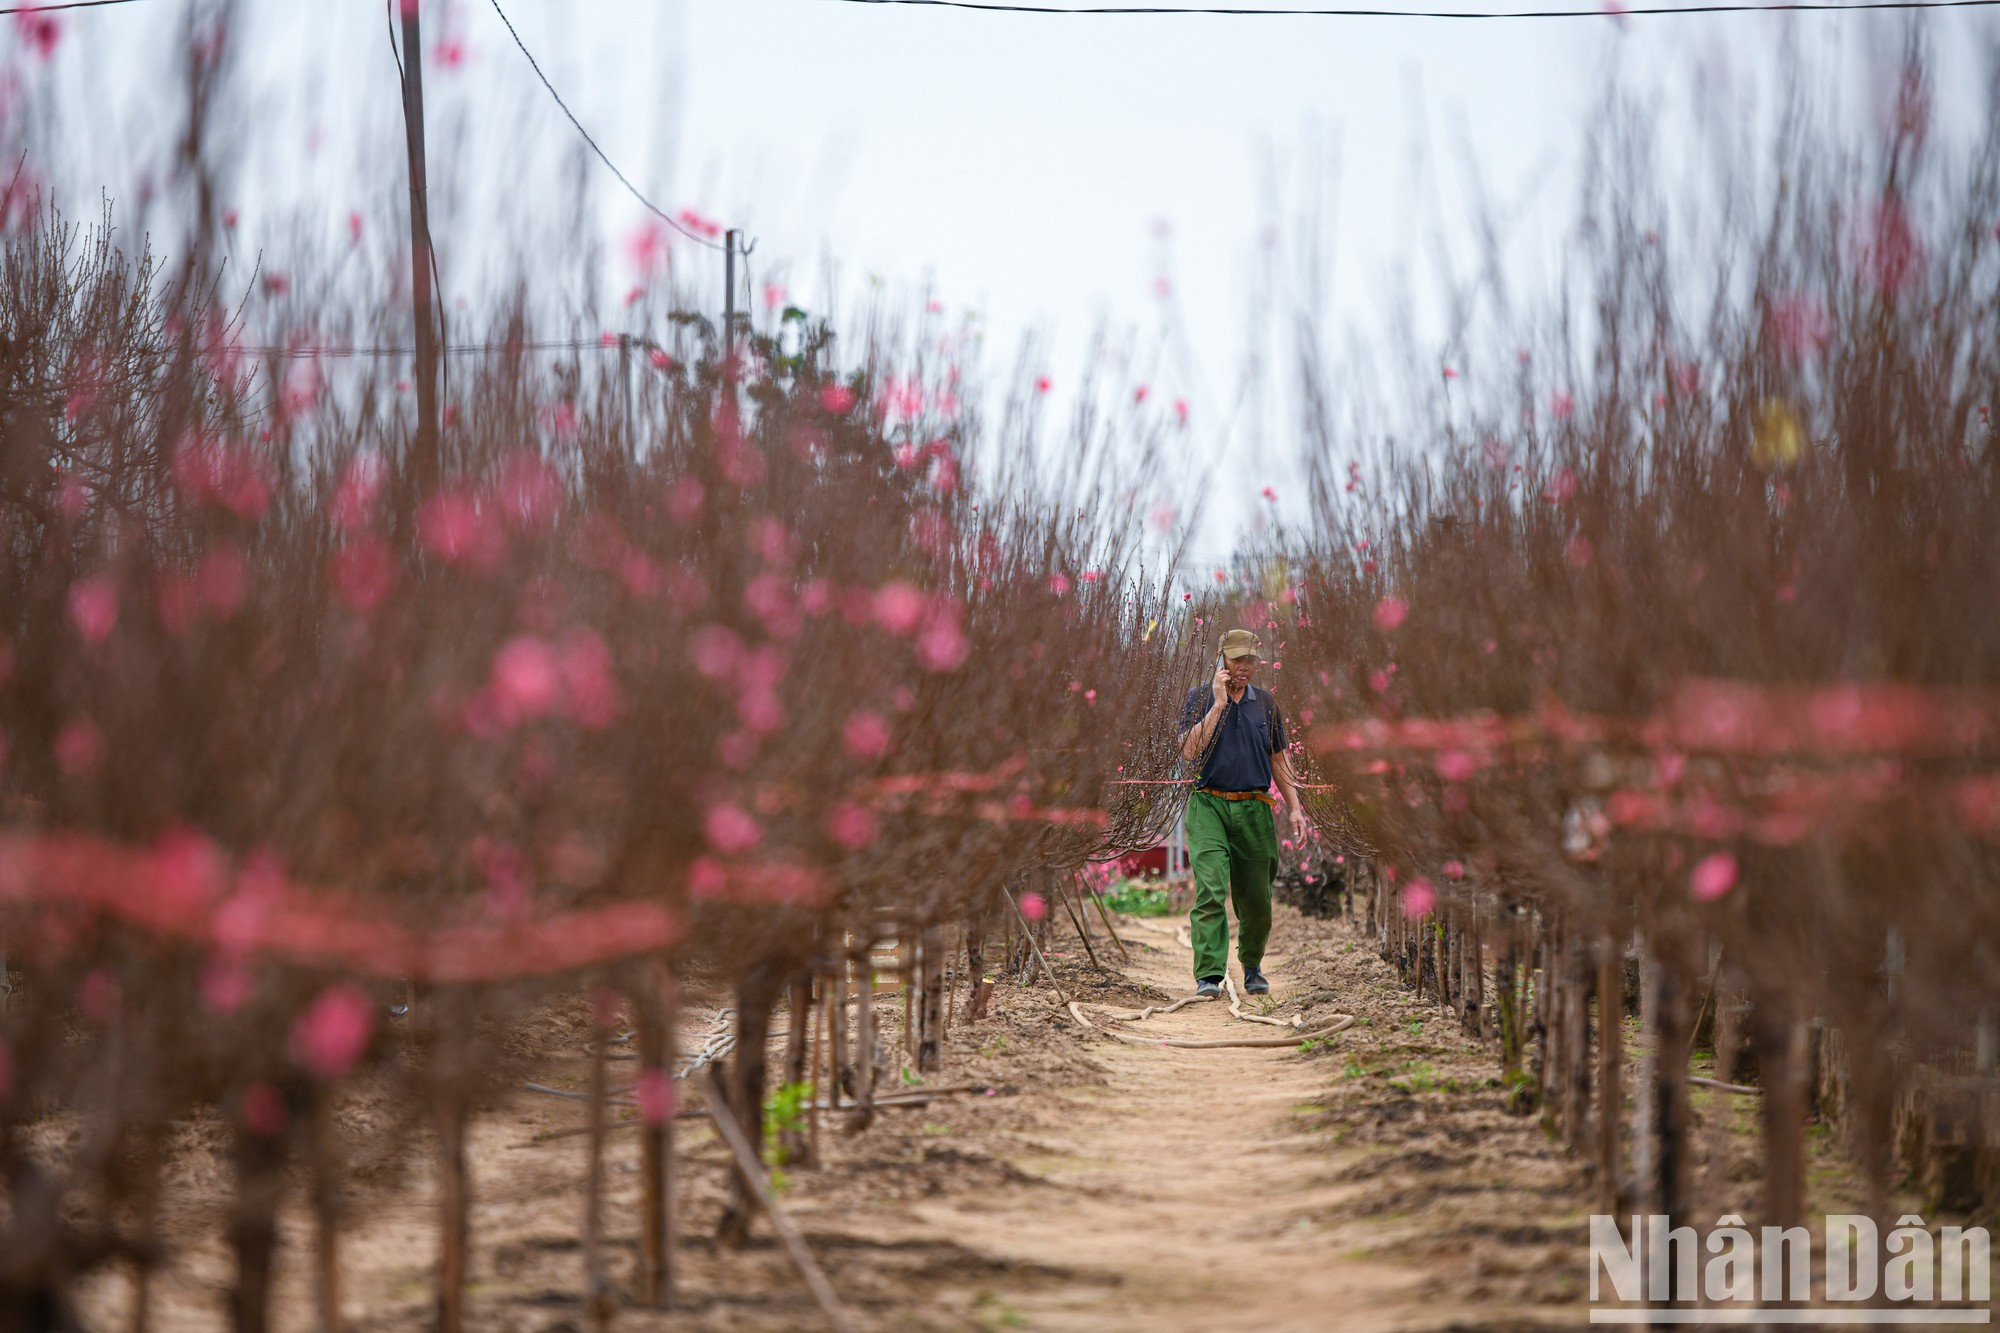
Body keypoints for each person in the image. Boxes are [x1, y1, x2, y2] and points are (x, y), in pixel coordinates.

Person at [1177, 628, 1309, 998]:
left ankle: (1252, 965)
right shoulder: (1199, 697)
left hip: (1254, 808)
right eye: (1236, 659)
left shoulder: (1266, 703)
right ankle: (1209, 975)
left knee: (1257, 898)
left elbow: (1279, 759)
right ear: (1221, 659)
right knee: (1210, 890)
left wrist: (1296, 808)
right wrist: (1218, 705)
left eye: (1250, 660)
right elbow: (1188, 751)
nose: (1243, 667)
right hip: (1209, 805)